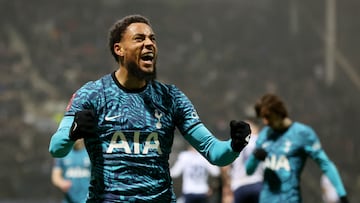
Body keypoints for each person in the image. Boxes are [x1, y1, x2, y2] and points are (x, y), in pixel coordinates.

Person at [49, 14, 251, 202]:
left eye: (152, 39)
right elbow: (57, 148)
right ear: (119, 49)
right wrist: (73, 131)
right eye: (139, 38)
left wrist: (234, 145)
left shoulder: (171, 98)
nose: (149, 43)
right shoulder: (92, 94)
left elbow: (214, 152)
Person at [245, 93, 349, 203]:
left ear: (278, 112)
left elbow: (325, 164)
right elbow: (249, 170)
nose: (265, 122)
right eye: (263, 118)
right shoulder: (264, 135)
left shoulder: (302, 134)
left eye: (267, 116)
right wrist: (255, 157)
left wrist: (342, 194)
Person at [221, 118, 263, 203]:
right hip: (257, 182)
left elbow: (225, 167)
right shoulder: (260, 140)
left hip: (238, 185)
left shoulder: (234, 142)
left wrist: (226, 187)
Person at [51, 139, 91, 203]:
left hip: (88, 199)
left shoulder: (91, 152)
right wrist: (62, 183)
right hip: (69, 200)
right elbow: (55, 176)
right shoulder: (62, 152)